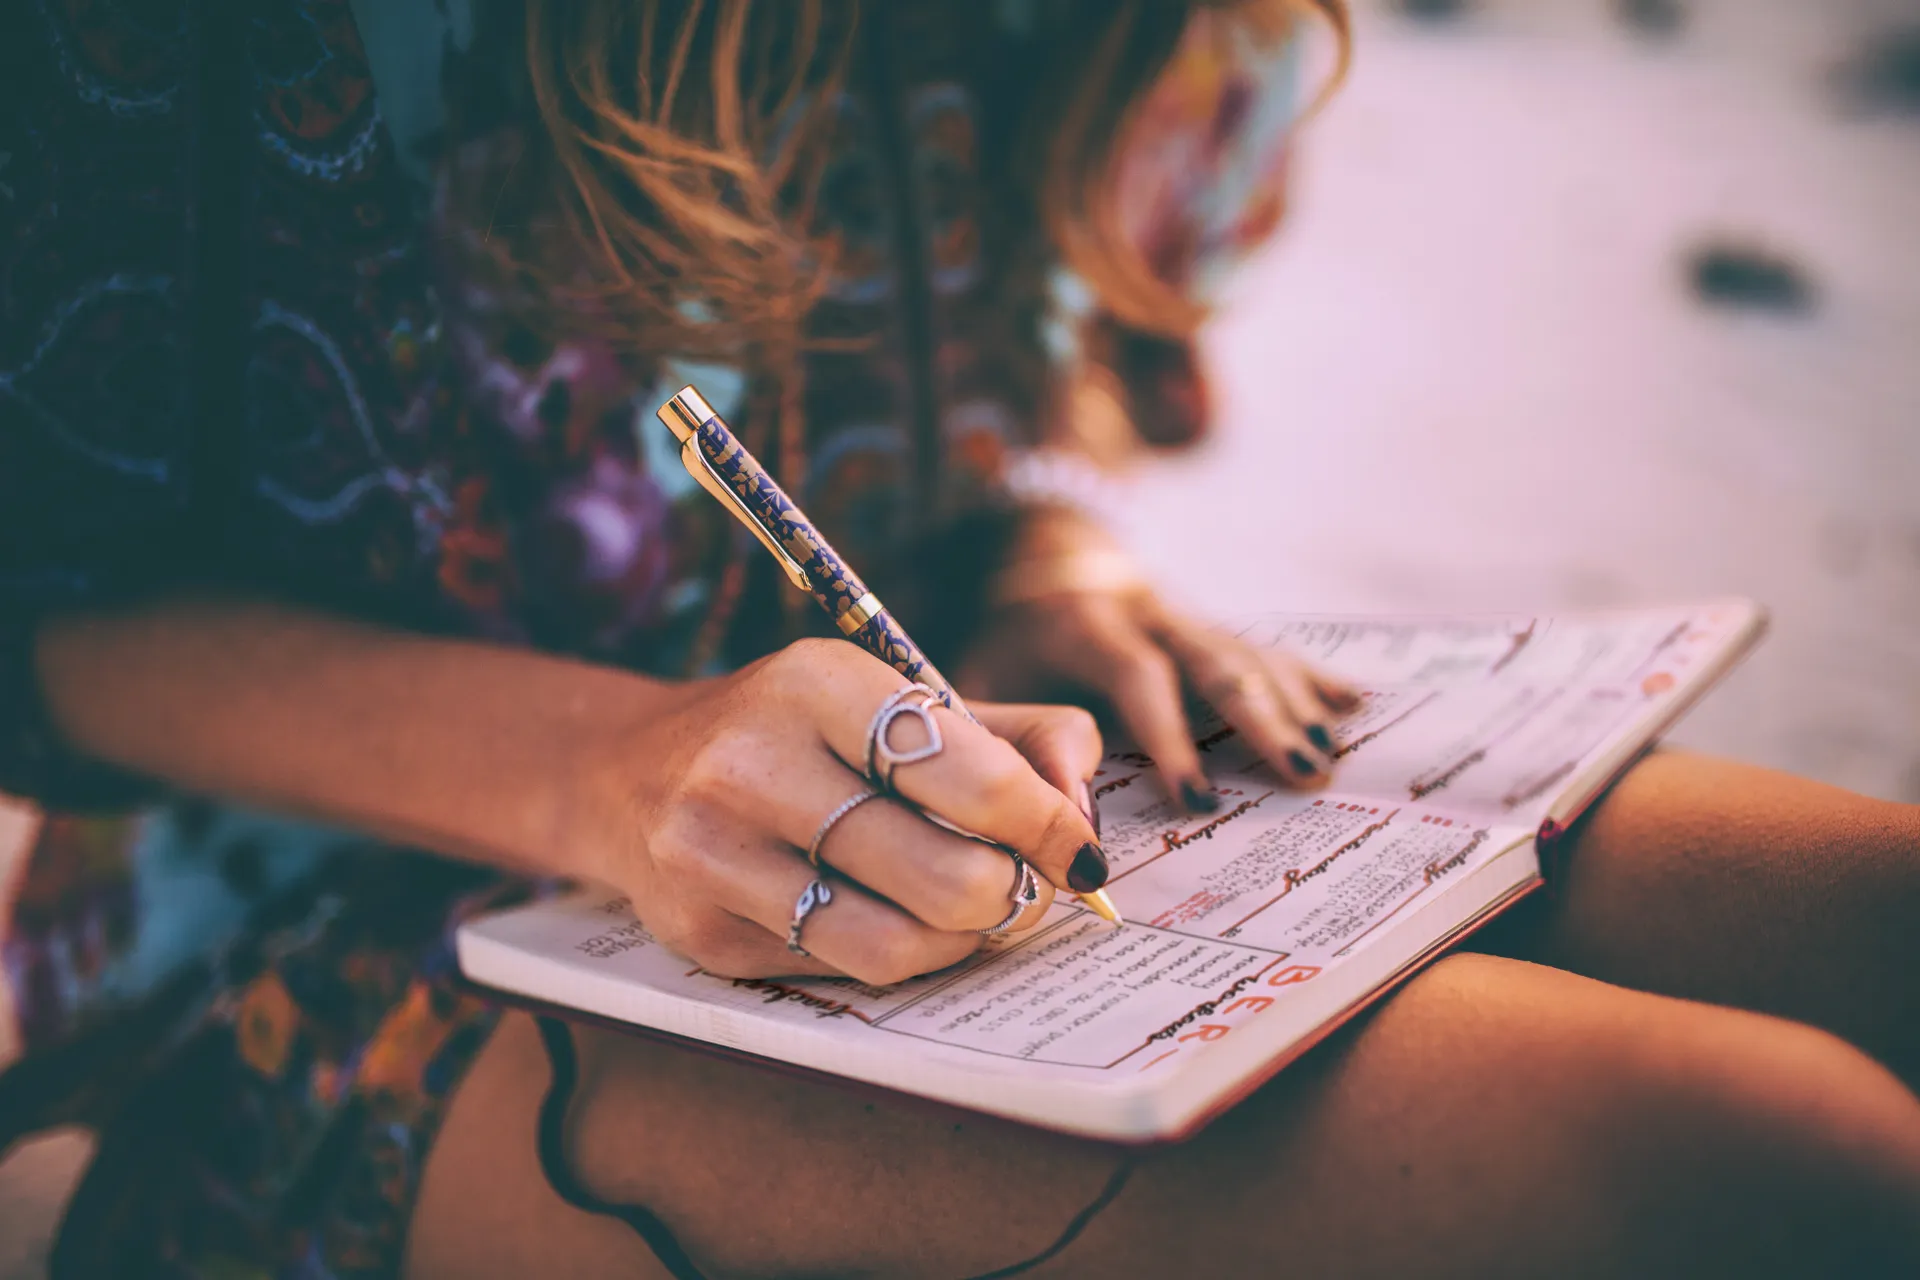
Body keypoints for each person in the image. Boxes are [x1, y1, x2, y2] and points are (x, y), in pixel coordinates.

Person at [2, 2, 1917, 1276]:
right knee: (1752, 1160)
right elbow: (47, 616)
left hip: (936, 754)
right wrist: (609, 764)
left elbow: (1045, 401)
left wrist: (1040, 563)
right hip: (319, 950)